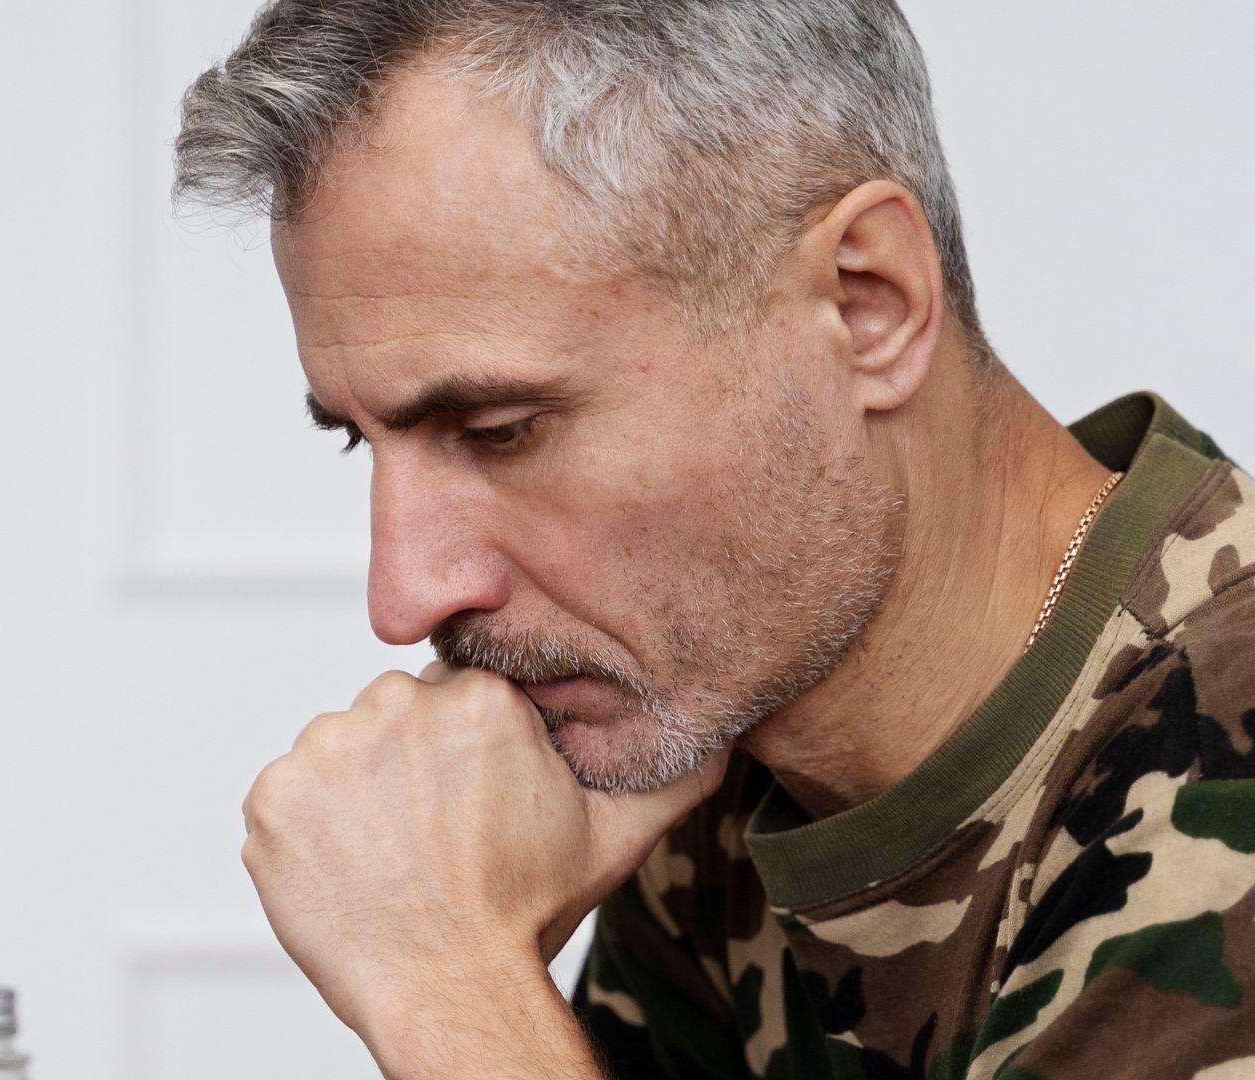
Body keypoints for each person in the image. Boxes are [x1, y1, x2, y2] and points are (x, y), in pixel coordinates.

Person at [172, 2, 1255, 1077]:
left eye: (501, 430)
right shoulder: (711, 732)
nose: (404, 597)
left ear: (867, 306)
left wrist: (448, 980)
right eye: (360, 440)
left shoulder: (1224, 760)